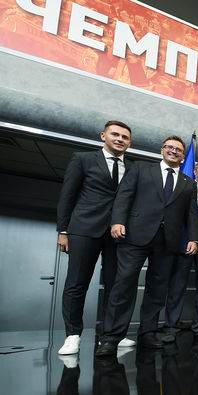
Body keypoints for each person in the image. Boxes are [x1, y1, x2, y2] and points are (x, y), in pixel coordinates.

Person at [96, 136, 198, 356]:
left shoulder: (189, 183)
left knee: (158, 289)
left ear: (183, 156)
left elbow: (191, 213)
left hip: (168, 241)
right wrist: (117, 221)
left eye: (178, 150)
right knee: (123, 284)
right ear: (162, 150)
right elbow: (124, 196)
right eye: (170, 147)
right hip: (135, 235)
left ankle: (148, 333)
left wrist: (194, 238)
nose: (174, 151)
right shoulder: (140, 168)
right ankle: (111, 337)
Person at [56, 120, 132, 355]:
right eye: (115, 134)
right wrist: (63, 231)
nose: (120, 139)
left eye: (125, 137)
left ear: (129, 143)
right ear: (103, 136)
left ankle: (111, 335)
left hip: (117, 234)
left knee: (114, 286)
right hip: (84, 229)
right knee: (76, 283)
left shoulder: (132, 168)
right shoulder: (83, 159)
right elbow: (67, 195)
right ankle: (72, 335)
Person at [163, 160, 198, 342]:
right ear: (195, 171)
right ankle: (170, 327)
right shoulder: (184, 189)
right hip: (184, 243)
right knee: (177, 287)